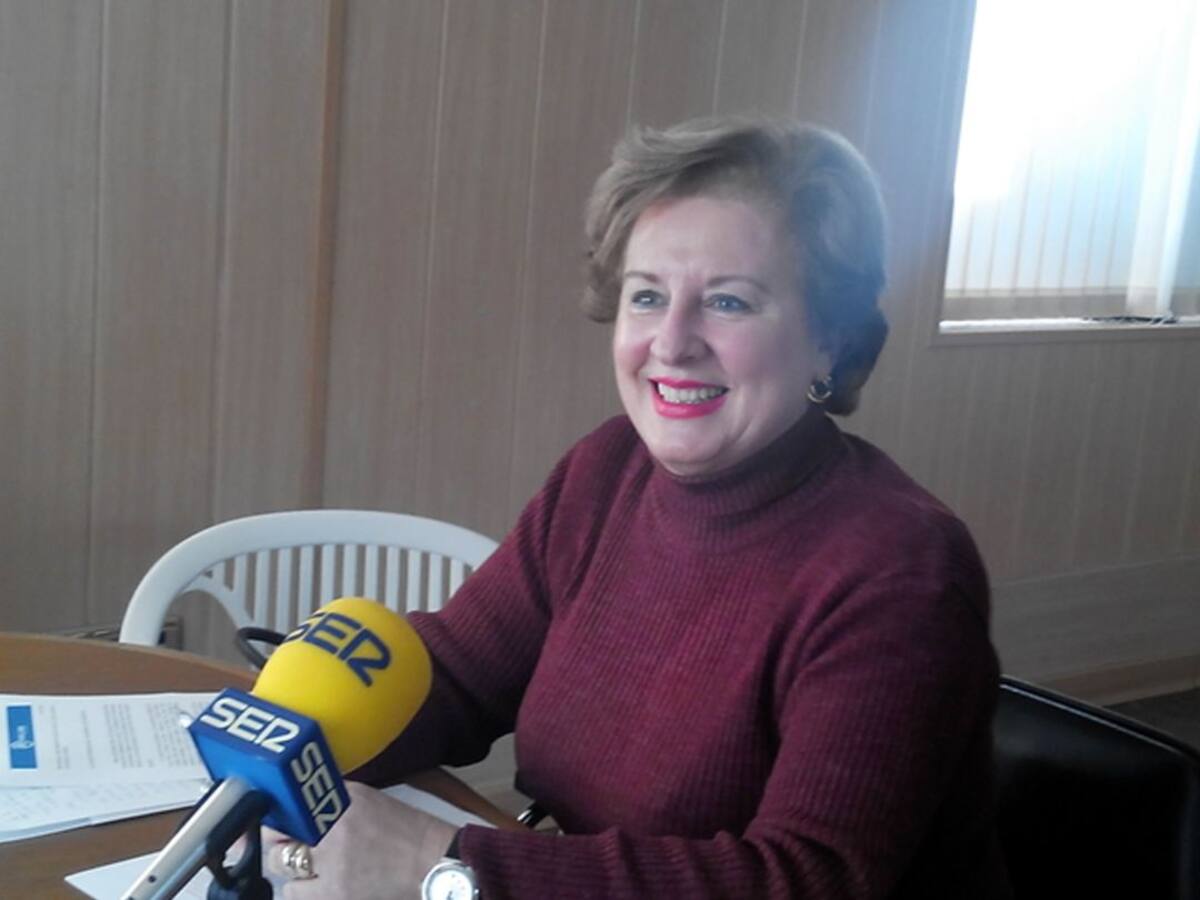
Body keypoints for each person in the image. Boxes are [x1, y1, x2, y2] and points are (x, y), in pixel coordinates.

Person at [267, 116, 1012, 899]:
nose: (673, 342)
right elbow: (456, 675)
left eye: (728, 302)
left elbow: (806, 881)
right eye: (648, 296)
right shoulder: (608, 470)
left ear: (831, 339)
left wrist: (442, 864)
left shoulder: (901, 571)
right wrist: (285, 750)